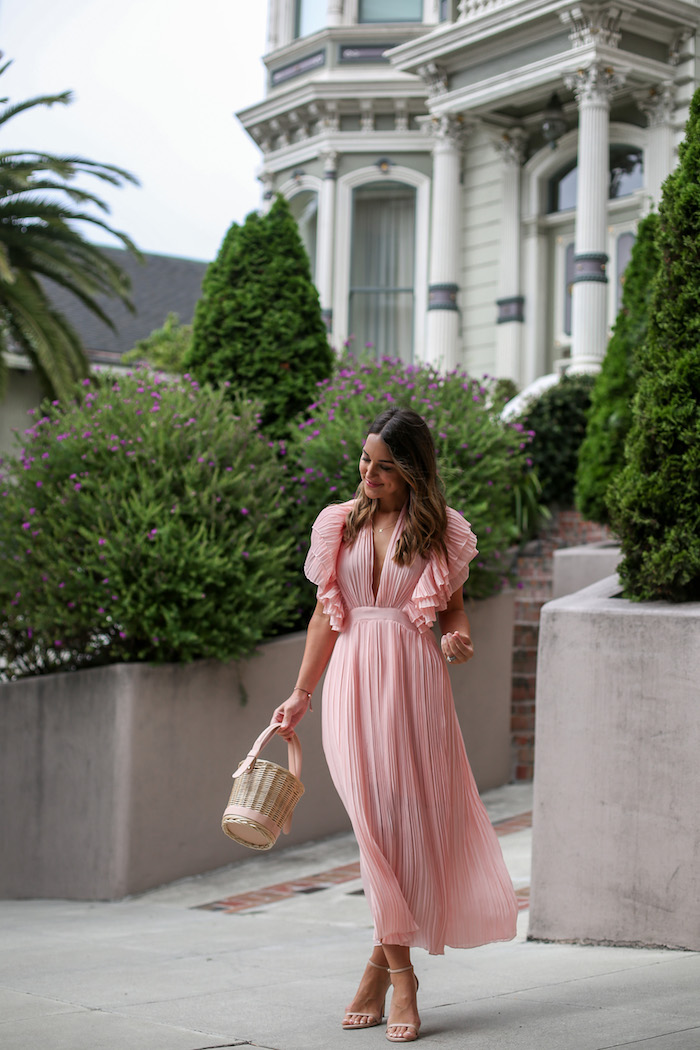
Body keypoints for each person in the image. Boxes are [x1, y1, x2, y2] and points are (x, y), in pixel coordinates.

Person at [271, 407, 518, 1043]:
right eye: (364, 461)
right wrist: (300, 694)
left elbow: (455, 614)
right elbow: (325, 617)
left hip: (415, 687)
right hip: (351, 684)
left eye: (384, 465)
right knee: (373, 825)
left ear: (412, 470)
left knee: (406, 828)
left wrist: (459, 639)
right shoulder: (337, 524)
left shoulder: (441, 532)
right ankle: (403, 979)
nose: (369, 474)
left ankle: (377, 971)